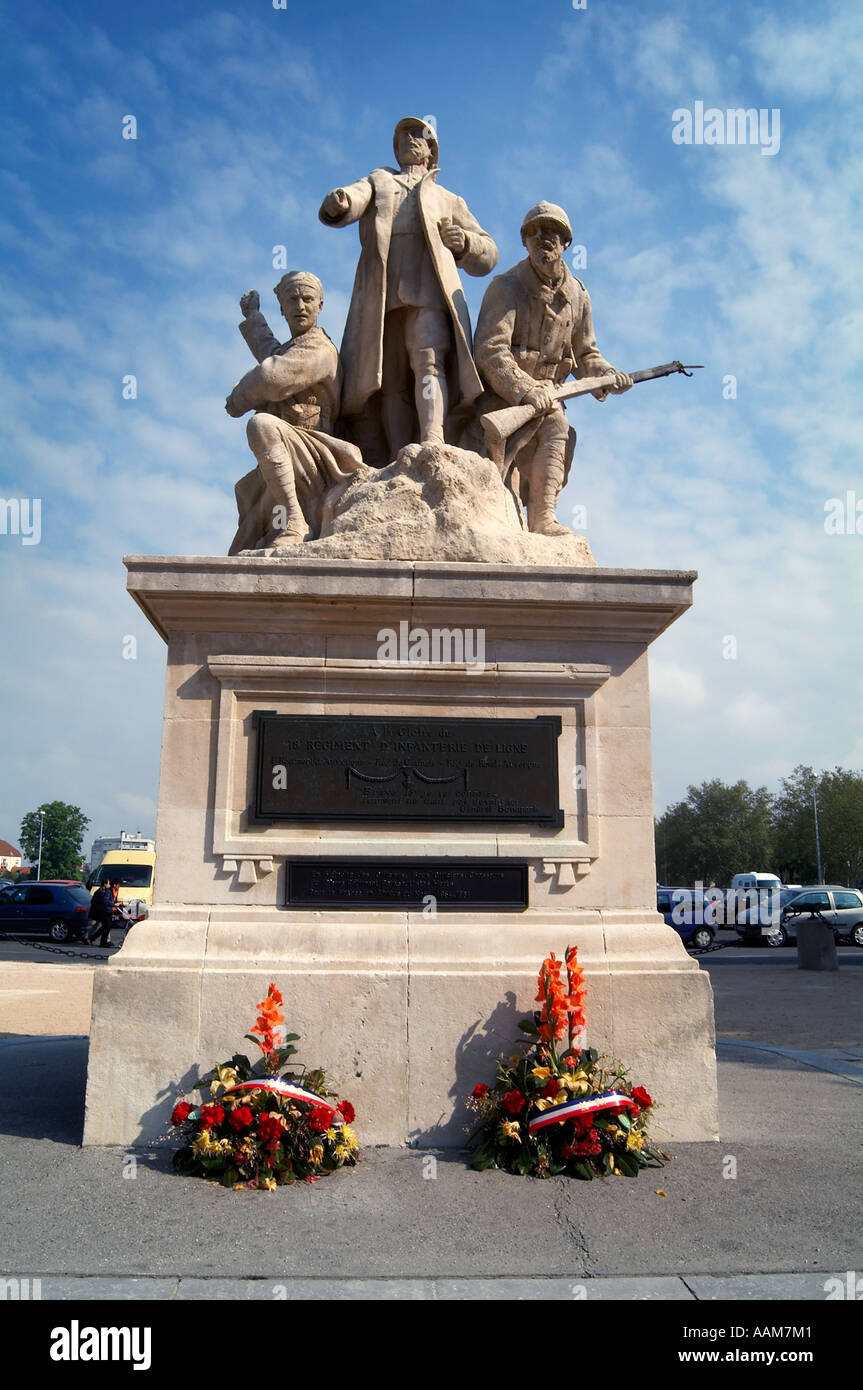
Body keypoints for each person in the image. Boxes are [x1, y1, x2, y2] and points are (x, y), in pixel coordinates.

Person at [319, 117, 498, 461]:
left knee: (429, 362)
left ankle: (433, 437)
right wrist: (340, 202)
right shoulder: (379, 180)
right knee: (389, 378)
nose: (411, 139)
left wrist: (465, 244)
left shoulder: (447, 198)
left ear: (432, 151)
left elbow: (488, 253)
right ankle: (398, 454)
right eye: (404, 135)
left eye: (420, 135)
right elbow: (355, 197)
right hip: (383, 297)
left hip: (429, 292)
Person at [474, 202, 632, 536]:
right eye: (536, 231)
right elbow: (490, 350)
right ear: (525, 240)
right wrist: (525, 389)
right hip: (504, 397)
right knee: (549, 428)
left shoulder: (577, 296)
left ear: (566, 243)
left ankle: (542, 518)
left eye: (553, 232)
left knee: (557, 425)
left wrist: (607, 376)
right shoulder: (506, 287)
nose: (545, 238)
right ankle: (530, 520)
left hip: (550, 396)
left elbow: (586, 354)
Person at [226, 271, 366, 551]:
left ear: (320, 305)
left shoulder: (321, 349)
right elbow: (273, 353)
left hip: (314, 451)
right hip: (287, 450)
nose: (300, 306)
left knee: (261, 425)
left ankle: (296, 521)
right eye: (292, 300)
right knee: (243, 544)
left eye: (307, 299)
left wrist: (239, 397)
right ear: (282, 308)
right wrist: (254, 318)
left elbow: (274, 379)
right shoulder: (296, 347)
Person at [87, 879, 117, 947]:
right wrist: (113, 904)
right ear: (105, 884)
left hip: (103, 911)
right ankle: (100, 941)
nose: (109, 885)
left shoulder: (103, 891)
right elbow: (103, 902)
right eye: (108, 884)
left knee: (105, 926)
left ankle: (95, 938)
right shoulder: (102, 892)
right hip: (102, 912)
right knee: (106, 926)